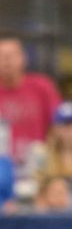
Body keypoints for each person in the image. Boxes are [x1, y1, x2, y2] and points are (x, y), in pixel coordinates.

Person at [0, 35, 62, 165]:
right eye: (2, 56)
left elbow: (59, 125)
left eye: (11, 55)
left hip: (39, 164)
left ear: (23, 58)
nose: (6, 61)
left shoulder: (42, 87)